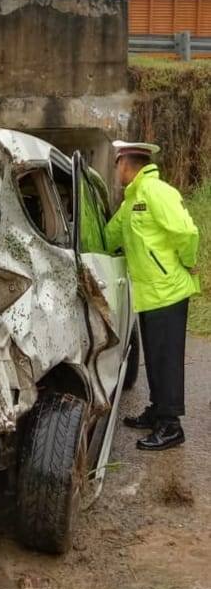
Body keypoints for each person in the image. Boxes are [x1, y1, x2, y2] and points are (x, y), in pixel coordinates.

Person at [105, 140, 200, 451]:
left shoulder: (157, 192)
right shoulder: (131, 200)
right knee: (155, 357)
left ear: (126, 163)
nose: (116, 170)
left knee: (166, 360)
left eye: (117, 164)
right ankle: (158, 411)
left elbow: (186, 233)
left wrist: (187, 263)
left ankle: (172, 426)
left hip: (168, 291)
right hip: (149, 294)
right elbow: (111, 235)